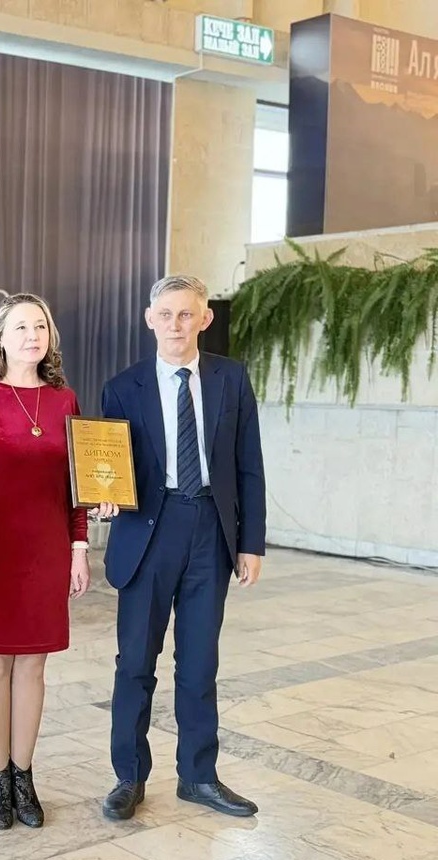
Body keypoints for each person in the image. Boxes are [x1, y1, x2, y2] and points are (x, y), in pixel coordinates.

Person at [100, 274, 266, 822]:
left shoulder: (231, 378)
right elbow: (108, 466)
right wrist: (102, 497)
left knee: (199, 663)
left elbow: (249, 464)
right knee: (135, 663)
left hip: (210, 530)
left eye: (186, 314)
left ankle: (198, 776)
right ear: (150, 320)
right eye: (166, 314)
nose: (176, 324)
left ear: (205, 318)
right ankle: (129, 776)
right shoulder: (122, 387)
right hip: (148, 529)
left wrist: (251, 541)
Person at [0, 293, 113, 830]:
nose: (31, 335)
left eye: (39, 326)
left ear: (50, 337)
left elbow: (76, 485)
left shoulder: (65, 400)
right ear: (0, 337)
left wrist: (79, 549)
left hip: (45, 550)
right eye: (19, 327)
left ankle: (24, 774)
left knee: (34, 665)